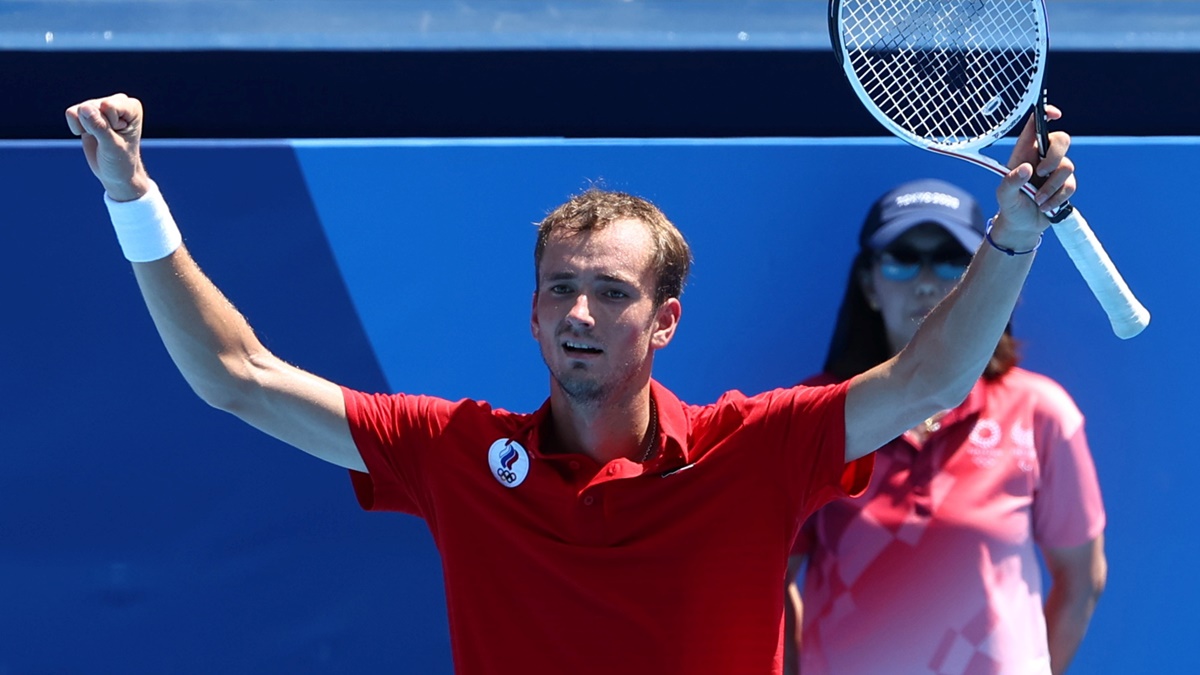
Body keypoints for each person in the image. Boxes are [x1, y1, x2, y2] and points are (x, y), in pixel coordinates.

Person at [65, 92, 1078, 675]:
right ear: (533, 313)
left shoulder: (759, 446)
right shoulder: (454, 452)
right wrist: (134, 198)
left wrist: (1016, 235)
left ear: (667, 321)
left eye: (609, 292)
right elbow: (236, 377)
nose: (580, 314)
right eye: (560, 290)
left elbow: (933, 375)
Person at [785, 179, 1107, 675]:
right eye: (903, 256)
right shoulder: (815, 414)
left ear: (982, 278)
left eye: (953, 259)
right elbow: (773, 579)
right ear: (869, 283)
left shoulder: (1042, 411)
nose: (926, 280)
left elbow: (1081, 582)